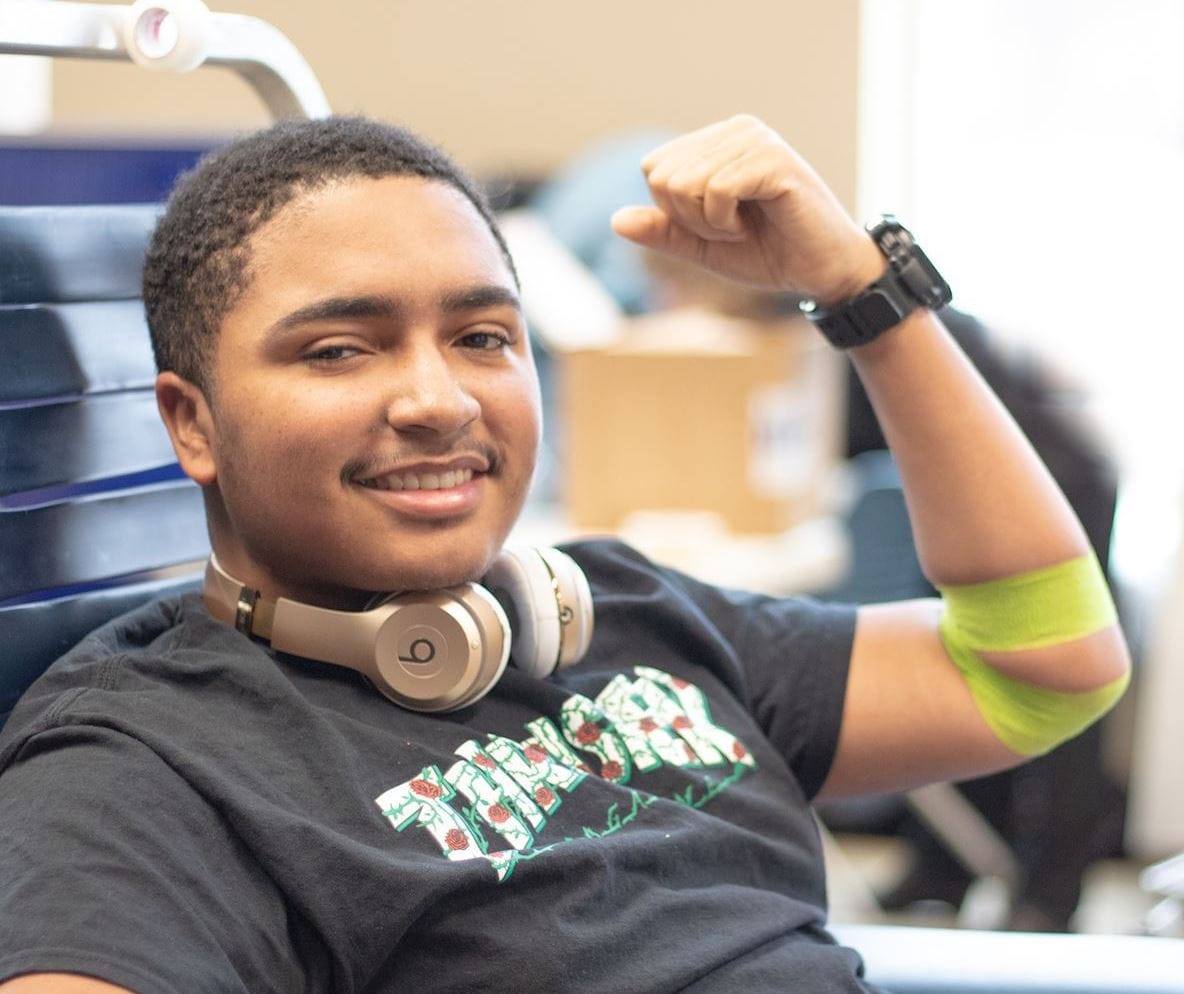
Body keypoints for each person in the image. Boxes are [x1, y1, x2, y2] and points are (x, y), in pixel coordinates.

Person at [0, 114, 1130, 993]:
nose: (438, 399)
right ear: (190, 423)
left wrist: (857, 291)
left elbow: (1036, 665)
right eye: (341, 349)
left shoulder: (621, 610)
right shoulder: (147, 762)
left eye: (482, 336)